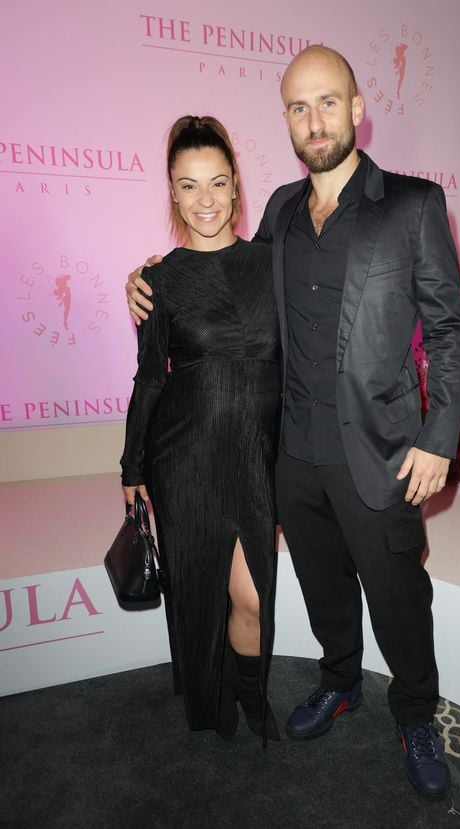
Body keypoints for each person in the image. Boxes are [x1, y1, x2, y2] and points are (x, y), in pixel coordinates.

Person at [126, 46, 460, 799]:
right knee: (322, 588)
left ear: (355, 106)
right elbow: (222, 281)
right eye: (297, 107)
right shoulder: (280, 210)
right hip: (289, 455)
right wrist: (145, 280)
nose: (314, 120)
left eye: (326, 102)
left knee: (398, 595)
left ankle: (414, 712)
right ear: (285, 118)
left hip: (381, 452)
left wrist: (439, 438)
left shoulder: (411, 205)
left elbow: (448, 329)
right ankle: (339, 679)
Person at [120, 115, 281, 744]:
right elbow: (149, 380)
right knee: (196, 589)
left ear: (237, 185)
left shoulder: (274, 266)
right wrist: (133, 466)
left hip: (255, 456)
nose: (205, 200)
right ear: (172, 191)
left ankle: (248, 694)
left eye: (217, 182)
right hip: (182, 454)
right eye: (189, 186)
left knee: (250, 597)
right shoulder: (158, 281)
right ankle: (211, 705)